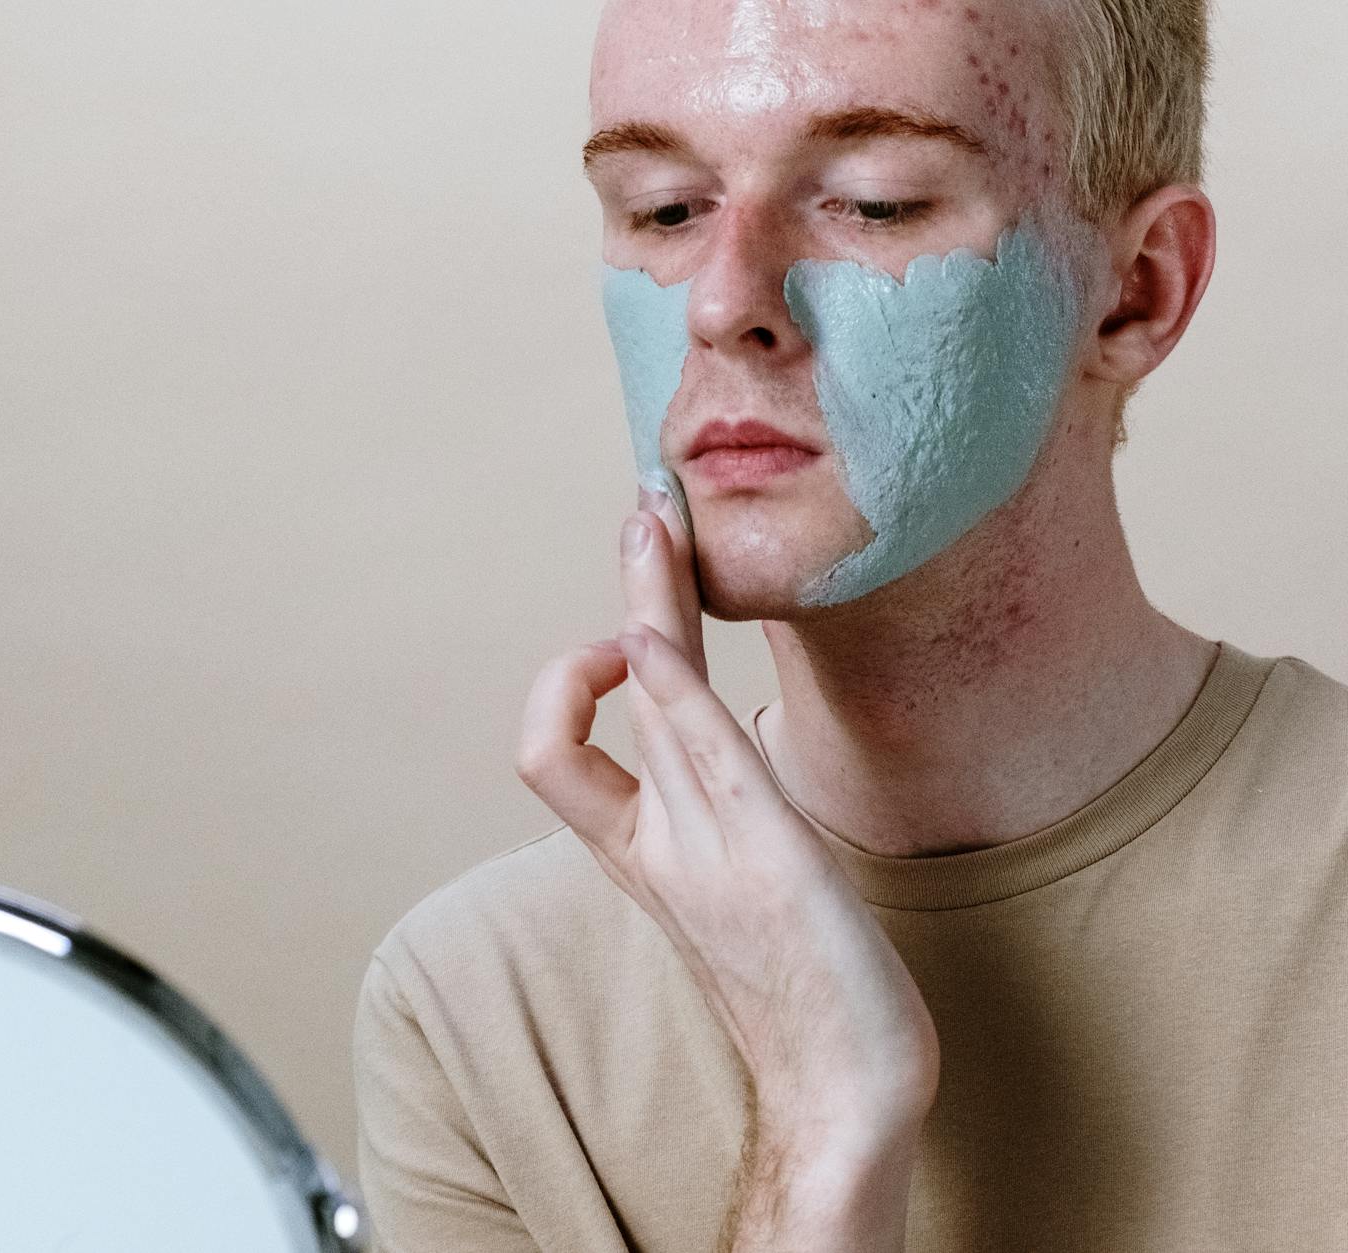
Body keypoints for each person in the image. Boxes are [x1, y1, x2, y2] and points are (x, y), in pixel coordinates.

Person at [351, 0, 1348, 1249]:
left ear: (1133, 291)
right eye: (663, 208)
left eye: (872, 202)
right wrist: (821, 1112)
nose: (723, 303)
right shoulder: (483, 1015)